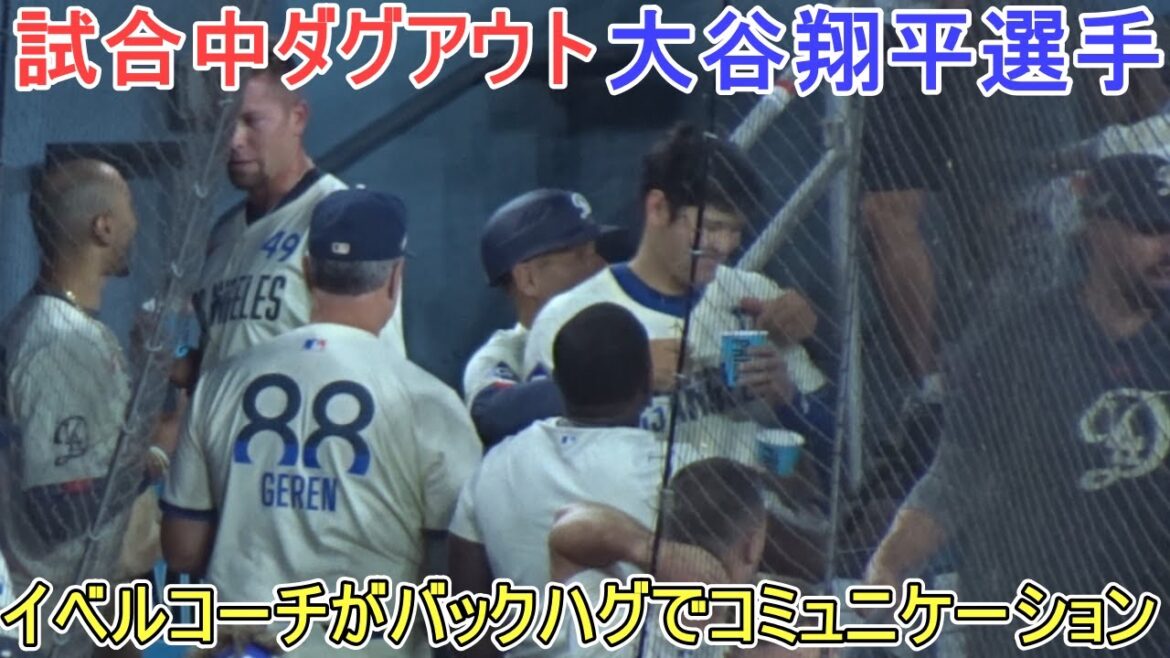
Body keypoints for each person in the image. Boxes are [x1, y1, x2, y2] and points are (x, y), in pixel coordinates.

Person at [864, 154, 1170, 657]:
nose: (1166, 248)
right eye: (1150, 228)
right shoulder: (1021, 344)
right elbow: (957, 475)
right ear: (1096, 228)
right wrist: (891, 565)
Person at [161, 189, 482, 658]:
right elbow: (460, 574)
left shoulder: (221, 382)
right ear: (396, 276)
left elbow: (182, 550)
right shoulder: (430, 403)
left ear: (307, 270)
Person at [522, 123, 831, 478]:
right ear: (657, 208)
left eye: (735, 230)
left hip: (755, 523)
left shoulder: (756, 298)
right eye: (711, 227)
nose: (725, 245)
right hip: (636, 523)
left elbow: (835, 451)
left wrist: (789, 398)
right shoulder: (572, 319)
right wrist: (625, 373)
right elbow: (545, 464)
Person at [448, 302, 665, 658]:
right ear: (647, 382)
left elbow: (465, 621)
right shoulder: (672, 470)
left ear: (558, 384)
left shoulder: (496, 464)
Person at [183, 55, 406, 387]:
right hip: (227, 433)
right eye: (223, 123)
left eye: (251, 121)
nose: (233, 140)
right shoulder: (224, 235)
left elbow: (376, 361)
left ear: (297, 117)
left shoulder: (341, 221)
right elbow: (223, 362)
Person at [0, 158, 145, 658]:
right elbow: (54, 514)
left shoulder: (58, 325)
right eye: (128, 208)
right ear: (102, 226)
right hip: (56, 628)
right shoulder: (59, 341)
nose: (137, 222)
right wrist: (155, 460)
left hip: (79, 617)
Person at [463, 189, 613, 447]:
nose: (601, 264)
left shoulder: (629, 331)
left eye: (595, 251)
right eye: (579, 255)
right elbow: (493, 413)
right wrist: (618, 377)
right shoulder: (506, 353)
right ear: (527, 279)